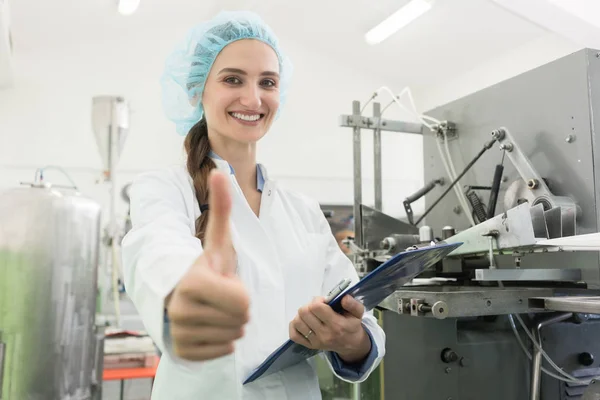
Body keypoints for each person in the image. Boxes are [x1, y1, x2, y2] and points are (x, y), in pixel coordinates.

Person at [121, 10, 385, 400]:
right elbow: (159, 254)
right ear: (197, 91)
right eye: (232, 79)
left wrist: (351, 338)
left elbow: (361, 315)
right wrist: (192, 293)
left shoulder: (303, 211)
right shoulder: (163, 190)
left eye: (268, 82)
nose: (253, 98)